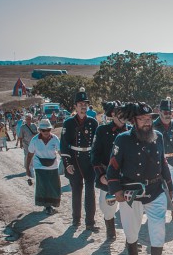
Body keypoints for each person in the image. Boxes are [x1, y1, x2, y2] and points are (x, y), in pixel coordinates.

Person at [107, 102, 173, 255]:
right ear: (133, 121)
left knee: (158, 228)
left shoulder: (158, 136)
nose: (147, 122)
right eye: (142, 119)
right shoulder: (122, 139)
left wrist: (170, 184)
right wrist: (116, 190)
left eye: (149, 118)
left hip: (155, 189)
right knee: (131, 228)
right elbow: (112, 167)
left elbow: (163, 163)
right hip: (131, 192)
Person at [60, 87, 100, 231]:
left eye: (85, 104)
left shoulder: (93, 123)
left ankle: (90, 222)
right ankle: (76, 219)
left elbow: (97, 144)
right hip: (75, 159)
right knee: (76, 190)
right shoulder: (68, 123)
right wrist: (67, 163)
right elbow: (64, 145)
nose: (83, 106)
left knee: (90, 191)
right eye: (80, 104)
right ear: (75, 106)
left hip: (89, 159)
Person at [91, 101, 129, 241]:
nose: (124, 116)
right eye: (120, 112)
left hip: (127, 177)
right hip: (108, 176)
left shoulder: (130, 130)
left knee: (129, 207)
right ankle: (110, 227)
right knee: (108, 207)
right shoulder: (102, 131)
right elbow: (95, 155)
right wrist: (101, 175)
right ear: (113, 114)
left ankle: (130, 239)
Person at [153, 97, 173, 221]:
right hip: (157, 162)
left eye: (170, 113)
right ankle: (156, 213)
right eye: (165, 112)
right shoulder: (153, 126)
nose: (168, 115)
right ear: (160, 112)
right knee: (157, 188)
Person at [25, 119, 61, 215]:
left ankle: (52, 204)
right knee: (43, 186)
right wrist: (27, 168)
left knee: (54, 186)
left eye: (48, 130)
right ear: (39, 130)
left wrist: (67, 163)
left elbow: (60, 151)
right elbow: (29, 155)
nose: (46, 132)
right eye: (43, 130)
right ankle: (47, 206)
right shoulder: (35, 140)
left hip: (53, 166)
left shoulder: (55, 139)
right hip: (39, 166)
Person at [18, 113, 38, 181]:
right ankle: (27, 166)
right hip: (26, 143)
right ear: (25, 119)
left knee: (33, 155)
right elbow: (21, 136)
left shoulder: (34, 125)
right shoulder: (23, 127)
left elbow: (38, 133)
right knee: (27, 155)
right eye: (27, 119)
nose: (28, 120)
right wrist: (20, 143)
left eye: (29, 119)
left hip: (33, 143)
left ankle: (31, 166)